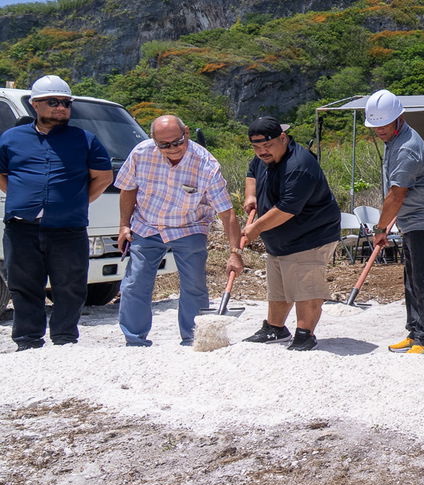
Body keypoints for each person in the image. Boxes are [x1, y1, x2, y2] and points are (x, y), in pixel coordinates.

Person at [0, 75, 114, 350]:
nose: (61, 107)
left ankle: (64, 340)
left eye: (65, 103)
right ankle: (28, 341)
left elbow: (103, 177)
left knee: (70, 286)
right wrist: (19, 196)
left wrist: (76, 202)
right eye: (54, 102)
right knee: (23, 285)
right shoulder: (12, 138)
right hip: (22, 226)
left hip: (68, 228)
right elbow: (2, 174)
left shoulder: (84, 139)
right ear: (35, 105)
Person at [115, 114, 242, 347]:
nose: (172, 149)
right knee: (135, 283)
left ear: (187, 133)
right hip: (147, 223)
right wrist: (124, 225)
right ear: (154, 140)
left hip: (189, 226)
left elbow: (227, 213)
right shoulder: (141, 153)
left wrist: (234, 252)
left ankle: (193, 339)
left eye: (177, 142)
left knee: (193, 284)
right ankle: (134, 341)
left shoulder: (206, 165)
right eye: (164, 145)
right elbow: (128, 188)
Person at [363, 90, 424, 356]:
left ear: (399, 118)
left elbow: (396, 195)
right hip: (414, 223)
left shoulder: (406, 148)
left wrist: (380, 229)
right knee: (413, 281)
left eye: (384, 124)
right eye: (375, 126)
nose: (379, 130)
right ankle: (415, 331)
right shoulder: (395, 140)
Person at [240, 117, 341, 351]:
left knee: (306, 287)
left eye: (267, 146)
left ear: (283, 138)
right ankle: (275, 328)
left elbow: (287, 208)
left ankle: (305, 334)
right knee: (280, 284)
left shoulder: (299, 165)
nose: (262, 151)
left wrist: (255, 228)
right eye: (256, 147)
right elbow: (251, 172)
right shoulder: (262, 158)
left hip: (310, 236)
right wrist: (250, 195)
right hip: (279, 239)